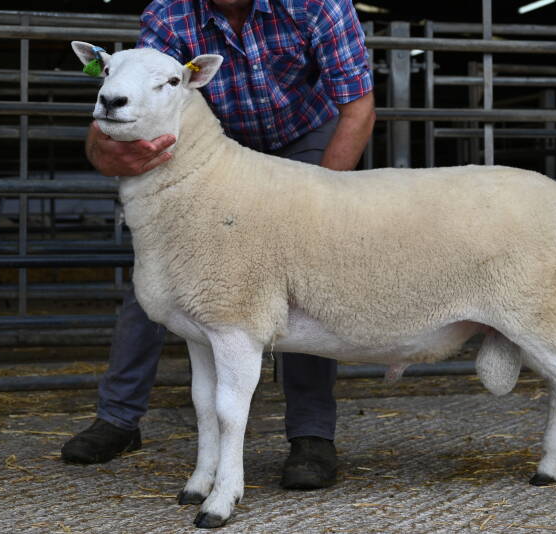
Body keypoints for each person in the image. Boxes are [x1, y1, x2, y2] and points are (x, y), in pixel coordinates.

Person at [61, 0, 375, 491]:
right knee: (167, 272)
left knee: (305, 273)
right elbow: (133, 82)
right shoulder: (170, 16)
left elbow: (357, 105)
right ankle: (119, 420)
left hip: (303, 134)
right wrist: (110, 149)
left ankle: (312, 435)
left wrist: (320, 205)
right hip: (210, 139)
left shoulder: (317, 6)